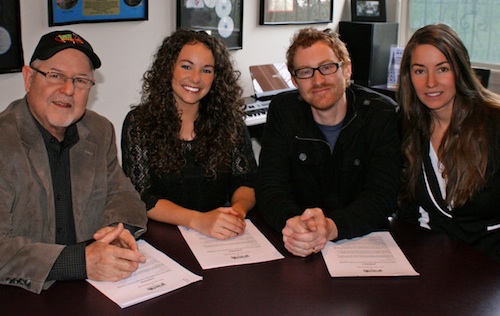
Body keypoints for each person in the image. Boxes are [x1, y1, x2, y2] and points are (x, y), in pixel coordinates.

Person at [0, 30, 148, 293]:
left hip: (93, 289)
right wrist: (80, 262)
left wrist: (115, 233)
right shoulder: (4, 140)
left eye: (80, 80)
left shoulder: (99, 130)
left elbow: (124, 196)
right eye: (55, 75)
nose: (68, 90)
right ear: (28, 78)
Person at [255, 28, 401, 257]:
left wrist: (332, 227)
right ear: (294, 80)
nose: (318, 80)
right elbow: (270, 187)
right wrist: (293, 222)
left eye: (327, 67)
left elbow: (383, 195)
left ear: (347, 69)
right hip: (297, 240)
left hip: (363, 241)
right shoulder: (283, 112)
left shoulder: (381, 114)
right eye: (305, 72)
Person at [121, 29, 257, 240]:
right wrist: (198, 221)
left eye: (207, 70)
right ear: (169, 69)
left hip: (219, 235)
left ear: (216, 77)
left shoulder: (230, 121)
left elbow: (246, 181)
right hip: (165, 237)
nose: (195, 78)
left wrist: (235, 214)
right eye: (186, 66)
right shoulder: (138, 123)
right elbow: (142, 195)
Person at [397, 24, 500, 262]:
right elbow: (407, 209)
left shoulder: (494, 124)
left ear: (460, 70)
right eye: (420, 71)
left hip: (491, 267)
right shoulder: (408, 127)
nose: (431, 82)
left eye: (442, 69)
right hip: (435, 262)